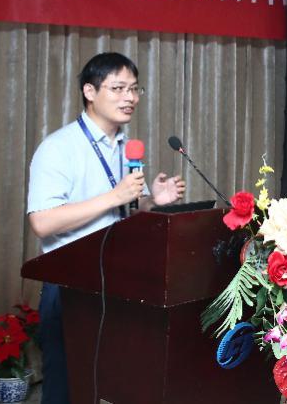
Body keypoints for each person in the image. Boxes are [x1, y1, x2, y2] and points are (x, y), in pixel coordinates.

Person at [26, 52, 185, 404]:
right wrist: (114, 196)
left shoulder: (127, 148)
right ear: (89, 91)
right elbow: (42, 222)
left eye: (134, 89)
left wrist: (151, 201)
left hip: (119, 278)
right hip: (70, 282)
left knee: (113, 378)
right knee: (67, 381)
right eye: (118, 88)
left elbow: (124, 209)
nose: (130, 98)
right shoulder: (58, 148)